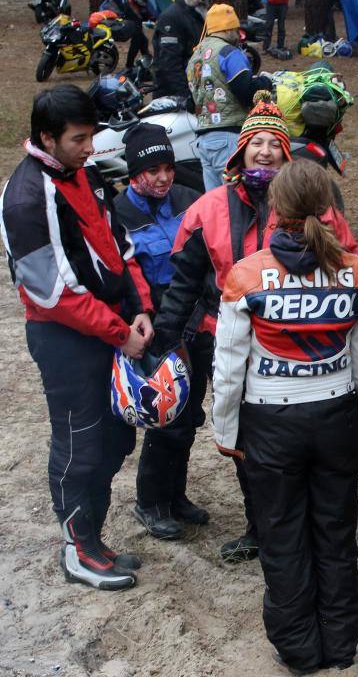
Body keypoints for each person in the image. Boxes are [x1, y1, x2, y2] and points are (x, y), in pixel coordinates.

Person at [153, 91, 358, 561]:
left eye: (274, 143)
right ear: (239, 150)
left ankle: (299, 523)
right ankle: (261, 526)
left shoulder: (317, 206)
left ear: (287, 155)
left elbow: (351, 269)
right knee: (246, 440)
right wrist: (165, 340)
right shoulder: (207, 208)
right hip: (223, 334)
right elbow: (183, 282)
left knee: (300, 439)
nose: (264, 150)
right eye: (256, 142)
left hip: (299, 342)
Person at [213, 159, 358, 673]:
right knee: (336, 532)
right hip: (334, 415)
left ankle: (299, 652)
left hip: (270, 421)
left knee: (282, 534)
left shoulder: (246, 274)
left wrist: (226, 430)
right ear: (327, 209)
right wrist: (357, 411)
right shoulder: (356, 271)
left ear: (274, 207)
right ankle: (340, 646)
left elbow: (228, 365)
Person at [0, 85, 154, 591]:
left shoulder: (81, 173)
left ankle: (93, 536)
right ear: (47, 137)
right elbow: (52, 295)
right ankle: (77, 548)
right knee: (79, 441)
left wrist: (142, 310)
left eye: (91, 135)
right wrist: (119, 332)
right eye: (79, 138)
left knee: (115, 437)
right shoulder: (26, 197)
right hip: (63, 338)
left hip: (108, 327)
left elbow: (118, 245)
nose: (91, 147)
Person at [112, 123, 212, 540]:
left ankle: (176, 495)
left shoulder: (191, 200)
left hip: (198, 324)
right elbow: (123, 275)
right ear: (134, 173)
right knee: (164, 415)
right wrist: (144, 316)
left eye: (168, 166)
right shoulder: (119, 214)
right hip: (156, 328)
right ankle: (150, 502)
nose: (163, 177)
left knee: (189, 414)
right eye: (152, 169)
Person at [187, 3, 272, 190]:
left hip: (204, 138)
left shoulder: (195, 56)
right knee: (236, 199)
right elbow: (245, 90)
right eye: (236, 29)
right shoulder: (228, 52)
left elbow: (190, 99)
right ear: (229, 28)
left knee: (216, 203)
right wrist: (265, 82)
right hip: (228, 136)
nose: (238, 34)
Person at [153, 0, 211, 99]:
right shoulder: (171, 18)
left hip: (197, 89)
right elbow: (169, 63)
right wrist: (185, 96)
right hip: (173, 95)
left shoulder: (201, 14)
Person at [124, 0, 151, 70]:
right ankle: (129, 64)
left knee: (143, 41)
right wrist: (149, 17)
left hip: (130, 21)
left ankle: (148, 63)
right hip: (135, 22)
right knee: (136, 43)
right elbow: (143, 7)